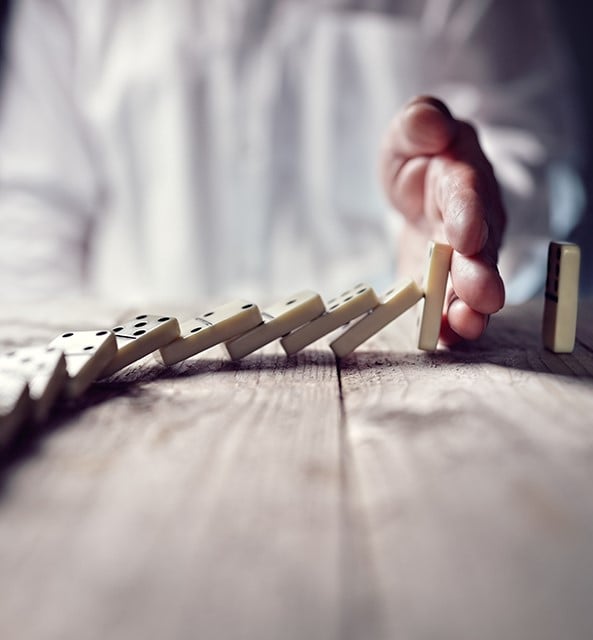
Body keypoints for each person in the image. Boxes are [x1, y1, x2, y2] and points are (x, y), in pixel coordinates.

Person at [0, 0, 584, 345]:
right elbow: (28, 217)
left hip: (387, 358)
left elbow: (530, 149)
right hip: (131, 373)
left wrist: (464, 237)